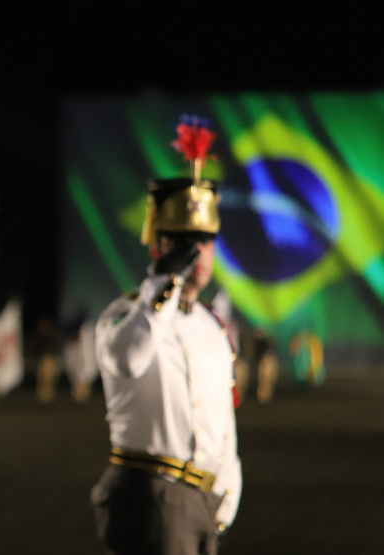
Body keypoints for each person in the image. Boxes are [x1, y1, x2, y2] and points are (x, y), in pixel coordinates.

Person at [92, 116, 242, 555]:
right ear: (157, 244)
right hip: (152, 498)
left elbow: (224, 420)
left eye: (204, 240)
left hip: (206, 501)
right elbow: (128, 358)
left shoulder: (212, 325)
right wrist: (162, 284)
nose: (196, 253)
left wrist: (227, 492)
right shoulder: (124, 316)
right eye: (182, 240)